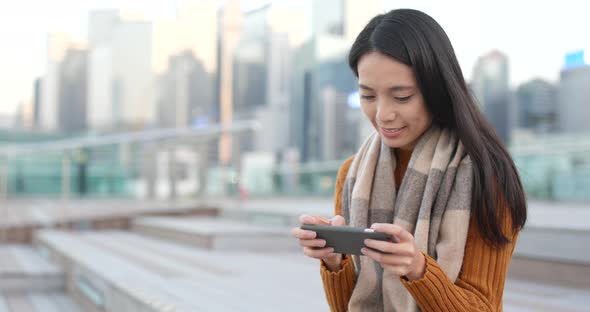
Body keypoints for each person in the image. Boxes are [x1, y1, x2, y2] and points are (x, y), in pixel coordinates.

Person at [291, 9, 527, 312]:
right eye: (368, 96)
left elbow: (483, 306)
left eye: (401, 97)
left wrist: (417, 269)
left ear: (437, 90)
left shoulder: (486, 176)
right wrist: (334, 261)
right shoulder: (353, 174)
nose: (382, 115)